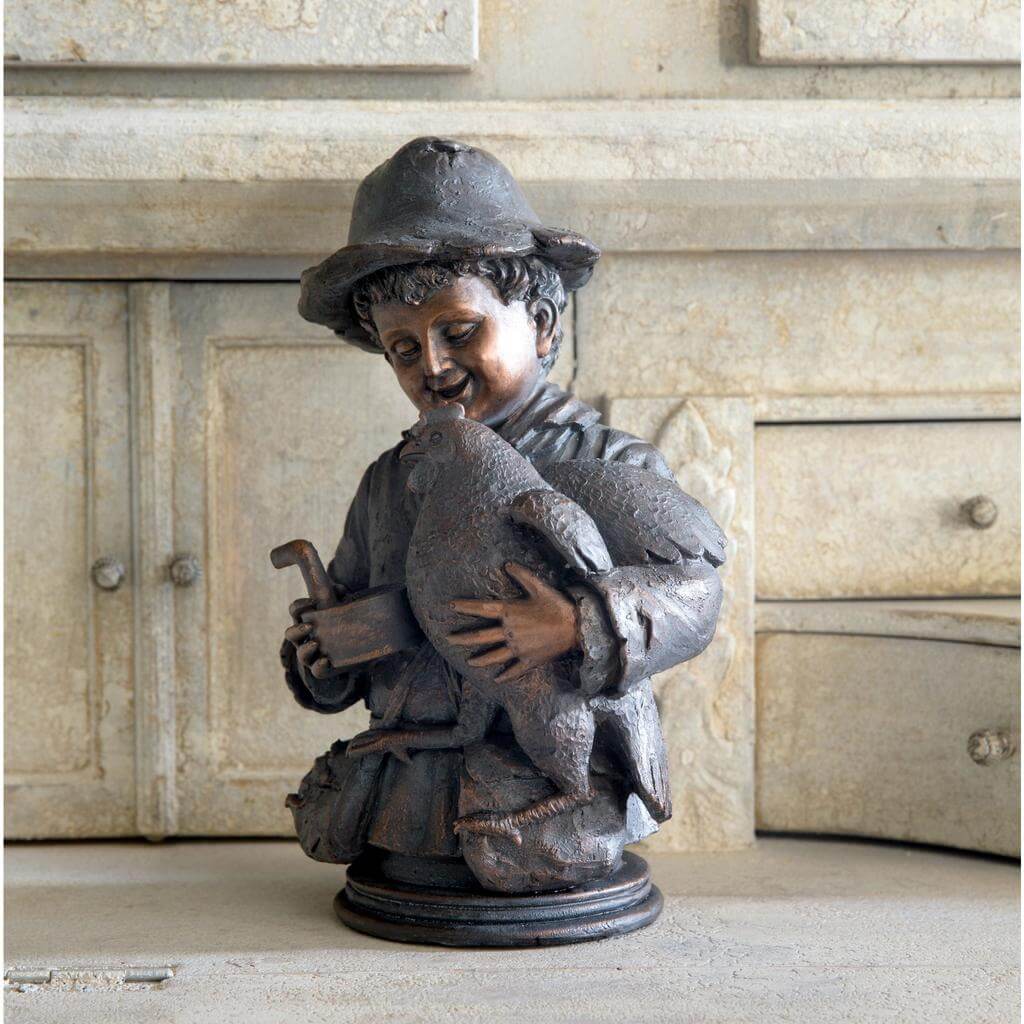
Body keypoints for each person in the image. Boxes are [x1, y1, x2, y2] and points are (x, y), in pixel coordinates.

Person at [281, 137, 723, 893]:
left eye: (459, 332)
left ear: (541, 324)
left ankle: (561, 820)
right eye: (403, 349)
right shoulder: (392, 480)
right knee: (339, 825)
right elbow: (351, 618)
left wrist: (576, 624)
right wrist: (326, 656)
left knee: (518, 859)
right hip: (419, 767)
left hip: (548, 761)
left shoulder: (606, 463)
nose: (433, 366)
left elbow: (695, 595)